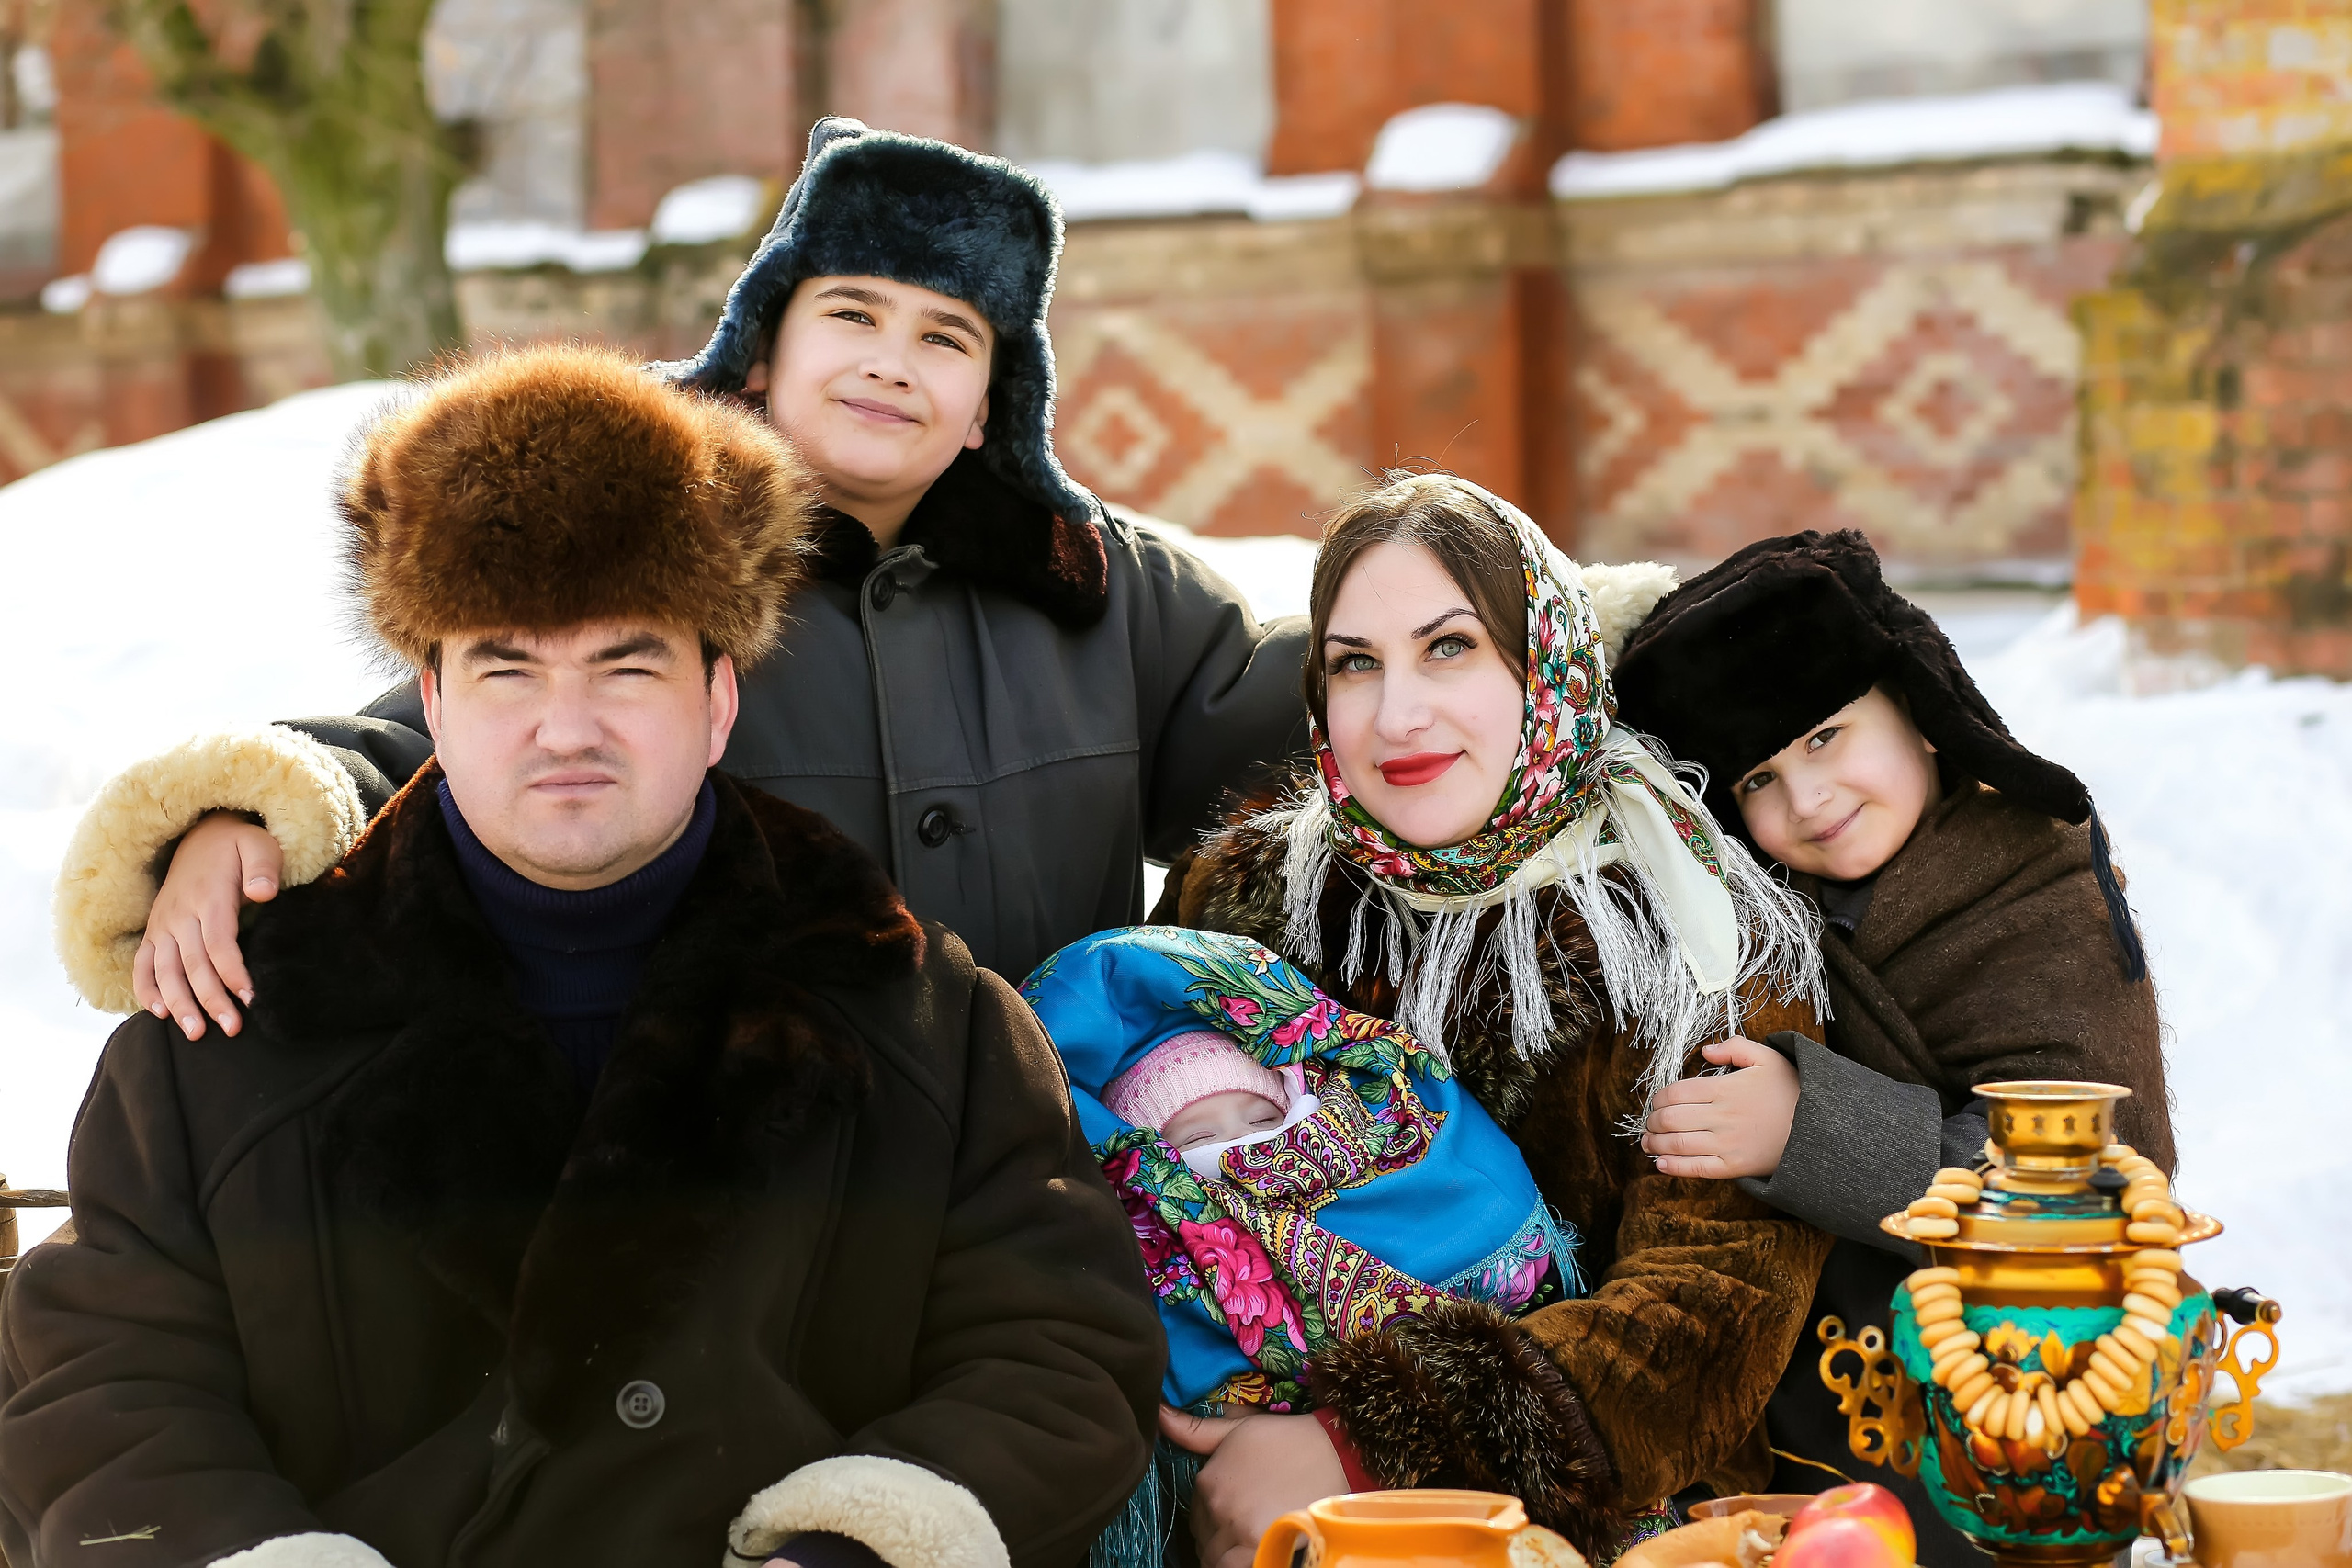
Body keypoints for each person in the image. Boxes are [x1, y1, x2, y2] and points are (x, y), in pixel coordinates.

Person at [2, 345, 1161, 1568]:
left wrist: (862, 1545)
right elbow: (101, 1391)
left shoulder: (916, 1011)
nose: (567, 726)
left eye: (628, 662)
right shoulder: (234, 1025)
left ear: (718, 697)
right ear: (432, 699)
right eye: (508, 666)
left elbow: (1058, 1344)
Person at [54, 116, 1306, 1038]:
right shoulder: (642, 537)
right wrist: (248, 811)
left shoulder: (1098, 586)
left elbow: (1311, 725)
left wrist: (1456, 631)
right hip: (743, 1197)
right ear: (763, 351)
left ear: (991, 405)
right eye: (854, 315)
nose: (892, 361)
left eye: (946, 337)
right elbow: (448, 735)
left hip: (1046, 1186)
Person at [1149, 472, 1838, 1567]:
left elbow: (1706, 1317)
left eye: (1451, 648)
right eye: (1354, 663)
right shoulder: (1240, 901)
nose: (1396, 714)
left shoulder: (1688, 932)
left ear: (1546, 665)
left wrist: (1363, 1447)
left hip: (1577, 1531)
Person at [1610, 528, 2171, 1565]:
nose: (1806, 801)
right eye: (1758, 782)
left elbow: (2088, 1188)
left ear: (1914, 708)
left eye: (1826, 738)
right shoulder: (1765, 921)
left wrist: (1804, 1126)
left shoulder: (2038, 896)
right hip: (1818, 1448)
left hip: (2008, 1426)